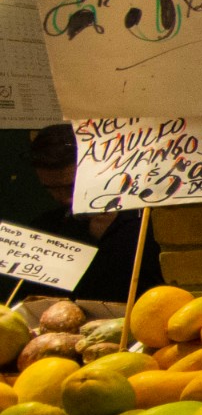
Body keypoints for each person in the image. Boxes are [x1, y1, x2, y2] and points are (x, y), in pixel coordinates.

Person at [7, 124, 164, 303]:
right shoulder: (45, 229)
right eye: (51, 189)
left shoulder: (149, 226)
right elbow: (27, 302)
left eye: (71, 187)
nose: (64, 198)